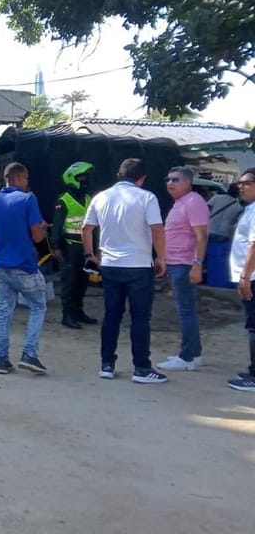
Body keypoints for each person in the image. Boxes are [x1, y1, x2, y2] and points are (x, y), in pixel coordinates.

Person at [82, 158, 167, 383]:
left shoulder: (101, 197)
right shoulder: (147, 197)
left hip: (110, 265)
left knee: (111, 316)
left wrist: (90, 254)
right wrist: (161, 257)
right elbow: (157, 229)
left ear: (119, 175)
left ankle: (107, 364)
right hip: (139, 265)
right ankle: (141, 368)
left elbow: (86, 227)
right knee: (140, 318)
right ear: (142, 178)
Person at [0, 162, 49, 375]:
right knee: (38, 306)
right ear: (19, 178)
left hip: (0, 265)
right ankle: (29, 354)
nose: (27, 183)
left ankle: (1, 360)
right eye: (26, 179)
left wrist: (5, 234)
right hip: (24, 265)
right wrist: (44, 229)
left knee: (4, 311)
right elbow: (37, 236)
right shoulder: (28, 199)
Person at [157, 166, 210, 371]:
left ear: (188, 182)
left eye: (176, 179)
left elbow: (201, 235)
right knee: (185, 309)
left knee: (186, 311)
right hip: (176, 262)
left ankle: (187, 357)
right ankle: (194, 354)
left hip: (185, 263)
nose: (170, 182)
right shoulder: (181, 202)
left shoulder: (194, 202)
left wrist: (197, 264)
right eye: (168, 179)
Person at [51, 162, 99, 329]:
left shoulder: (88, 198)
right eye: (81, 177)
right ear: (71, 178)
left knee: (82, 281)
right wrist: (56, 247)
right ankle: (67, 315)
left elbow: (94, 226)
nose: (84, 180)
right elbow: (57, 225)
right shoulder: (63, 200)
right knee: (69, 283)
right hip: (69, 247)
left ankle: (79, 312)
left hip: (85, 249)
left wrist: (95, 249)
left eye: (86, 177)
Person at [227, 168, 255, 391]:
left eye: (247, 183)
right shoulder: (249, 209)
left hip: (253, 277)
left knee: (254, 326)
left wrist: (245, 277)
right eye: (240, 183)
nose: (241, 186)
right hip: (249, 276)